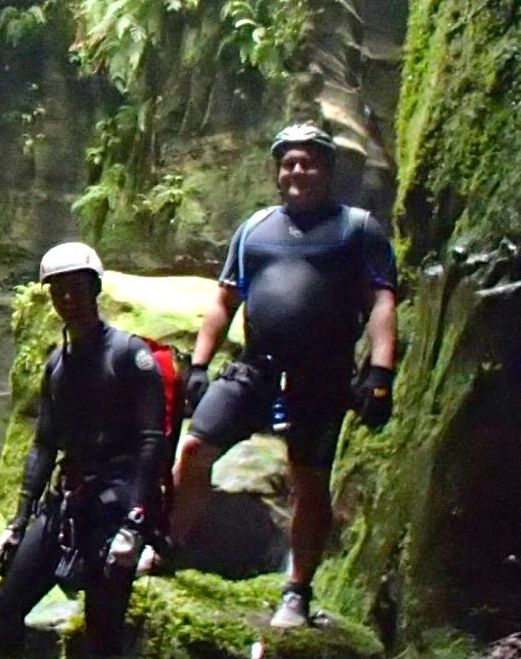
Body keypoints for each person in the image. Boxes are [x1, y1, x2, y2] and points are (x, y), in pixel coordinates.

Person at [170, 123, 398, 628]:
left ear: (327, 171)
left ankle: (297, 591)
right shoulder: (255, 230)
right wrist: (200, 367)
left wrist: (380, 372)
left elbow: (380, 301)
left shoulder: (356, 229)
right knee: (193, 448)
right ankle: (168, 546)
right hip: (256, 367)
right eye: (289, 163)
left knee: (308, 482)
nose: (298, 171)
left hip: (321, 377)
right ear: (278, 172)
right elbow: (224, 301)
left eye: (309, 162)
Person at [0, 242, 167, 659]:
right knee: (4, 606)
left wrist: (135, 524)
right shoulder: (56, 365)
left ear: (95, 289)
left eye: (77, 287)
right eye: (58, 290)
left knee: (102, 636)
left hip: (115, 505)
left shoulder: (129, 356)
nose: (68, 298)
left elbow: (150, 442)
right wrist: (18, 522)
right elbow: (45, 443)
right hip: (66, 504)